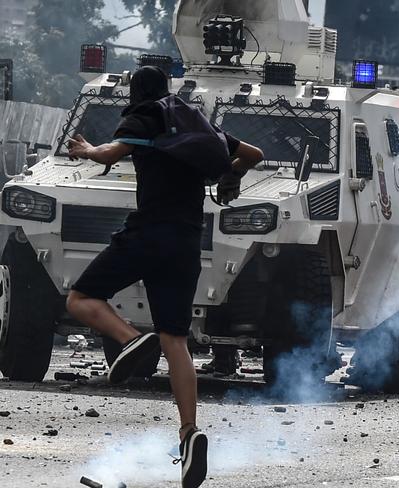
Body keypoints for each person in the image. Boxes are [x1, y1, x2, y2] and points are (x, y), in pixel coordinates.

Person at [65, 66, 264, 488]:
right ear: (169, 89)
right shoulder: (196, 125)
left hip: (148, 235)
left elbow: (109, 154)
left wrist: (85, 151)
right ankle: (189, 432)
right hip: (187, 244)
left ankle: (129, 340)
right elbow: (254, 156)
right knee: (176, 341)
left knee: (80, 299)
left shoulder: (143, 117)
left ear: (135, 94)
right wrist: (232, 176)